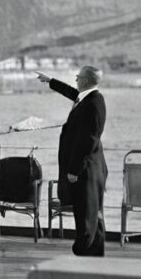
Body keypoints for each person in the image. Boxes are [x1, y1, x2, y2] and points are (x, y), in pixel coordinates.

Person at [36, 66, 108, 256]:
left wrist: (74, 170)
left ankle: (83, 252)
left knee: (86, 213)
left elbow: (89, 139)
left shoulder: (93, 104)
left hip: (86, 169)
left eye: (77, 78)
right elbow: (71, 92)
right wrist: (50, 81)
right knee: (94, 212)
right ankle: (95, 253)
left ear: (84, 81)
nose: (76, 80)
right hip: (90, 167)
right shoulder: (87, 98)